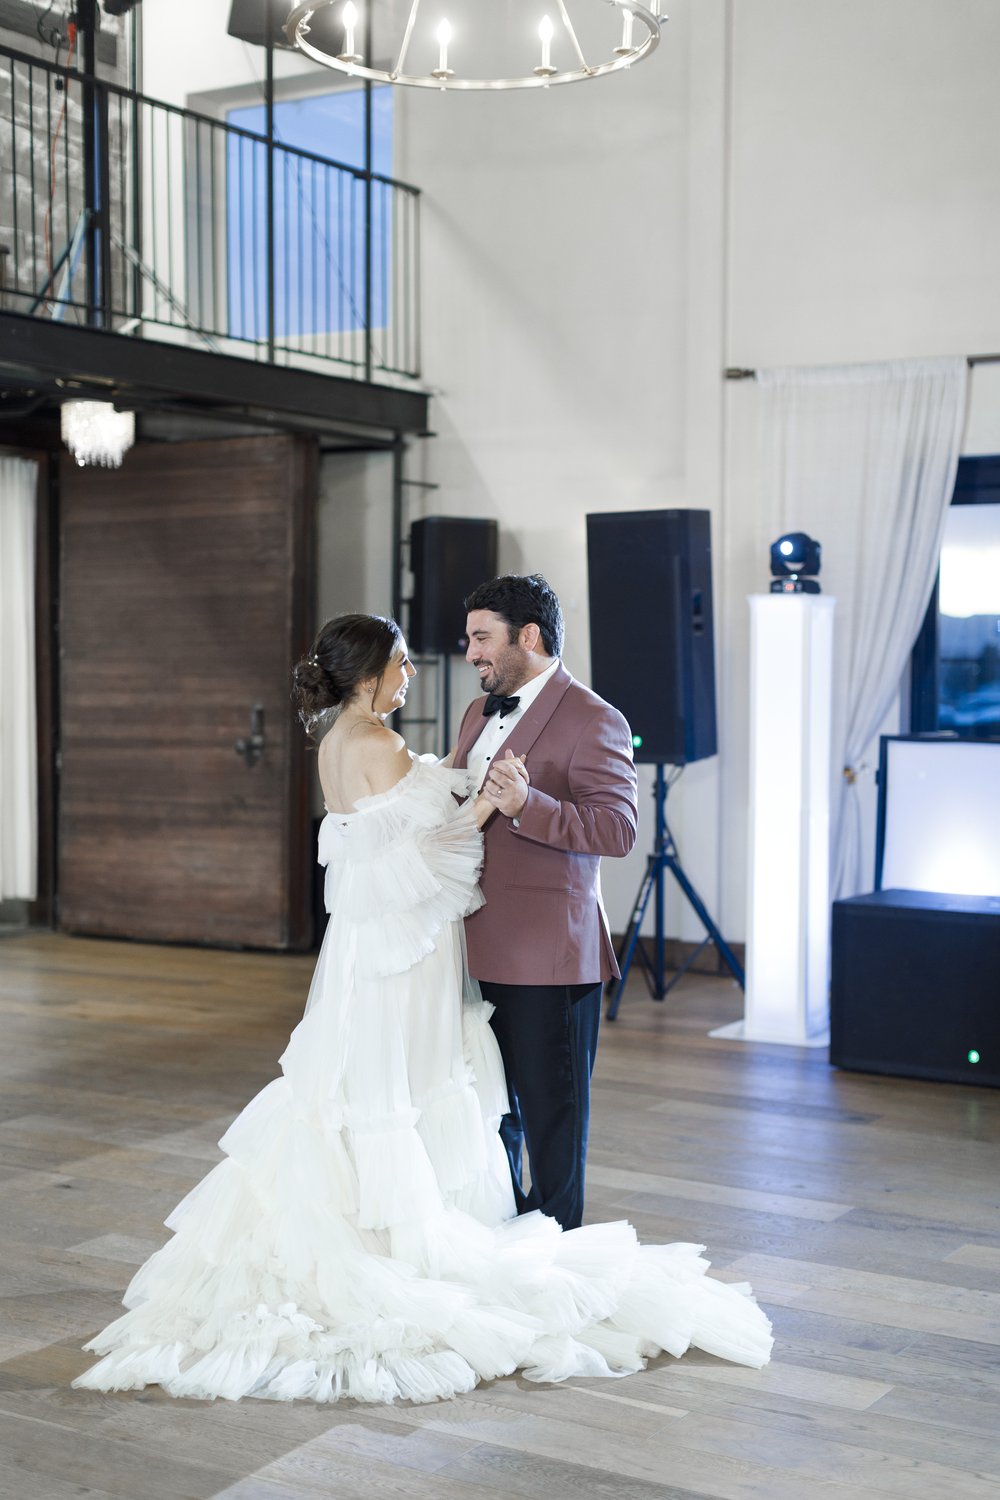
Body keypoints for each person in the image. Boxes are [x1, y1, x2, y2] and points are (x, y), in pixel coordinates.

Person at [73, 612, 771, 1404]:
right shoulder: (383, 743)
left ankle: (385, 1221)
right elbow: (430, 846)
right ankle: (406, 1242)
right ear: (370, 674)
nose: (418, 673)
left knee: (367, 1086)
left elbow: (393, 823)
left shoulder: (345, 740)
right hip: (407, 950)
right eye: (403, 663)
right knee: (405, 1084)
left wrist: (462, 787)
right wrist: (488, 804)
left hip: (372, 952)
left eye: (472, 642)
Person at [453, 574, 635, 1231]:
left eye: (482, 638)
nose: (470, 652)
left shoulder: (594, 718)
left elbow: (617, 830)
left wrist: (529, 804)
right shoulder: (477, 713)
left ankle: (558, 1252)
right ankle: (503, 1238)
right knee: (487, 1106)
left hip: (547, 955)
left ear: (527, 637)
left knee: (552, 1117)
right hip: (469, 942)